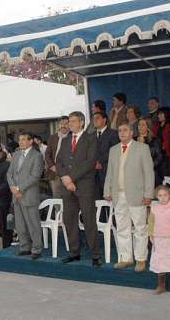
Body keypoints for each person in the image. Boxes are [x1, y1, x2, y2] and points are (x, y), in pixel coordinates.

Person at [104, 123, 154, 272]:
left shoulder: (142, 148)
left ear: (132, 132)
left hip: (137, 194)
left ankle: (140, 259)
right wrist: (107, 190)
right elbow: (110, 172)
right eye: (119, 130)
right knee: (122, 227)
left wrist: (148, 194)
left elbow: (149, 173)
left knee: (140, 228)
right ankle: (126, 258)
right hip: (118, 194)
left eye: (125, 130)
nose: (122, 133)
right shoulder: (113, 150)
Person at [56, 112, 101, 266]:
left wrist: (71, 178)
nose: (70, 124)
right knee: (69, 220)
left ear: (81, 122)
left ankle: (95, 254)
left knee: (89, 220)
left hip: (84, 186)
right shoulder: (66, 139)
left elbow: (90, 162)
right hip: (68, 187)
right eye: (69, 121)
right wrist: (65, 178)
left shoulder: (90, 139)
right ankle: (74, 252)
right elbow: (59, 161)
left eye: (73, 121)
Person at [7, 132, 45, 260]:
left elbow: (35, 176)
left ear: (30, 141)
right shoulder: (16, 154)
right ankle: (24, 247)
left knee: (33, 223)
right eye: (19, 140)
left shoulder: (37, 156)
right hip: (16, 196)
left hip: (28, 195)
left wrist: (19, 188)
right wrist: (13, 187)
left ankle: (37, 248)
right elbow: (9, 174)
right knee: (20, 224)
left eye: (23, 140)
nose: (20, 142)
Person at [93, 111, 119, 199]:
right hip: (93, 173)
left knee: (110, 199)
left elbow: (114, 151)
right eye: (94, 118)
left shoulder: (113, 133)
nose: (95, 120)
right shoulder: (90, 136)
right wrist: (93, 163)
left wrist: (99, 161)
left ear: (104, 120)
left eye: (97, 118)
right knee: (97, 200)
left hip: (107, 171)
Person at [45, 116, 70, 198]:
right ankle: (57, 211)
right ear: (58, 125)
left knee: (69, 197)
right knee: (56, 197)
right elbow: (47, 154)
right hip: (54, 173)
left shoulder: (73, 137)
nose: (63, 126)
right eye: (61, 124)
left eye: (66, 124)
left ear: (70, 125)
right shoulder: (53, 137)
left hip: (68, 174)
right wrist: (52, 166)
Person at [136, 118, 163, 186]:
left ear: (148, 127)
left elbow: (159, 157)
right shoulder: (133, 140)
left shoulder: (155, 140)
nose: (140, 127)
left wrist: (148, 167)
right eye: (139, 125)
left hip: (151, 173)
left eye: (143, 125)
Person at [155, 107, 170, 178]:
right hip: (158, 153)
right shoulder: (157, 125)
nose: (159, 116)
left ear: (167, 114)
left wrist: (165, 144)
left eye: (161, 114)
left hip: (168, 154)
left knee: (168, 174)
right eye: (158, 114)